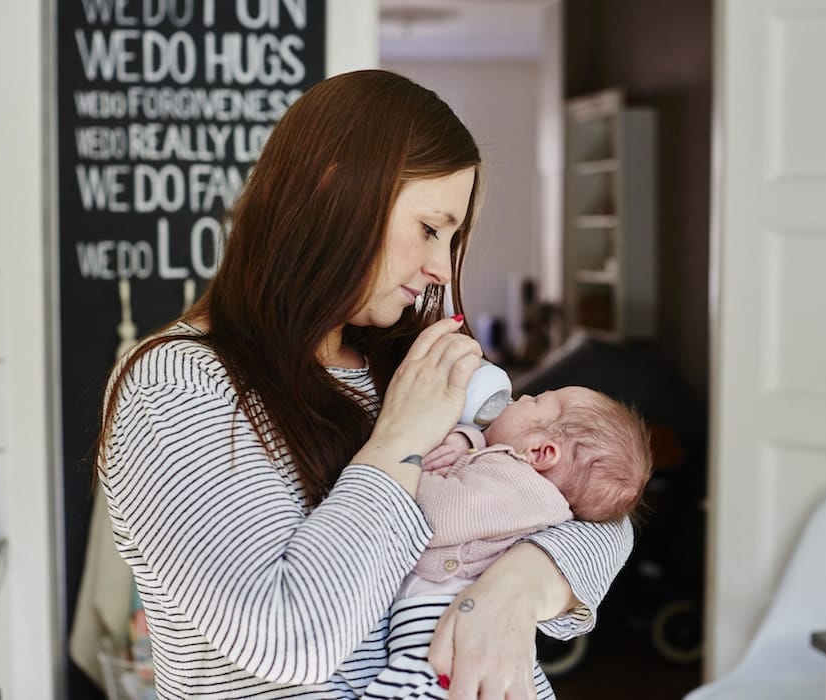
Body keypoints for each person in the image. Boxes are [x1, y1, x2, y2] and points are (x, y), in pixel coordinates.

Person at [96, 69, 633, 700]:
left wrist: (509, 593)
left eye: (451, 238)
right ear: (336, 190)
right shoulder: (180, 386)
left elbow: (592, 502)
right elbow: (288, 640)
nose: (441, 268)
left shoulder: (406, 360)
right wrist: (397, 442)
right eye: (430, 228)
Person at [365, 387, 652, 696]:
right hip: (455, 615)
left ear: (540, 452)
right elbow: (480, 453)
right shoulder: (514, 479)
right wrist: (465, 439)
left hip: (441, 615)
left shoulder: (521, 488)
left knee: (425, 684)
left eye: (538, 401)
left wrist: (401, 467)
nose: (525, 396)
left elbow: (437, 517)